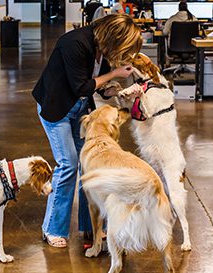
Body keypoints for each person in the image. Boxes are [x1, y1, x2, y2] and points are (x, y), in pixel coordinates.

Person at [32, 14, 142, 248]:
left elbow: (97, 88)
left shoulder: (101, 48)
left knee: (90, 166)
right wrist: (113, 74)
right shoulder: (75, 43)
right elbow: (81, 85)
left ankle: (91, 227)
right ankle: (52, 228)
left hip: (80, 107)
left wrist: (118, 91)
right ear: (115, 37)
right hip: (56, 107)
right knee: (68, 164)